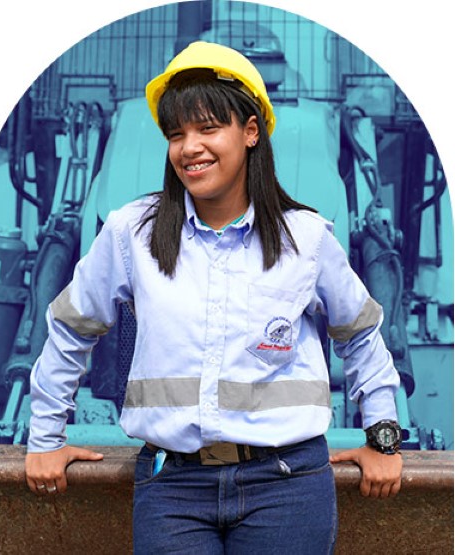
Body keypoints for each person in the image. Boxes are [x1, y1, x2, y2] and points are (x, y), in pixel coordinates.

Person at [25, 41, 403, 554]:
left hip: (288, 485)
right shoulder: (130, 233)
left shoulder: (306, 239)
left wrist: (383, 436)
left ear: (250, 132)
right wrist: (46, 438)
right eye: (176, 134)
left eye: (207, 128)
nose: (189, 147)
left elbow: (360, 336)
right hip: (172, 487)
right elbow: (70, 327)